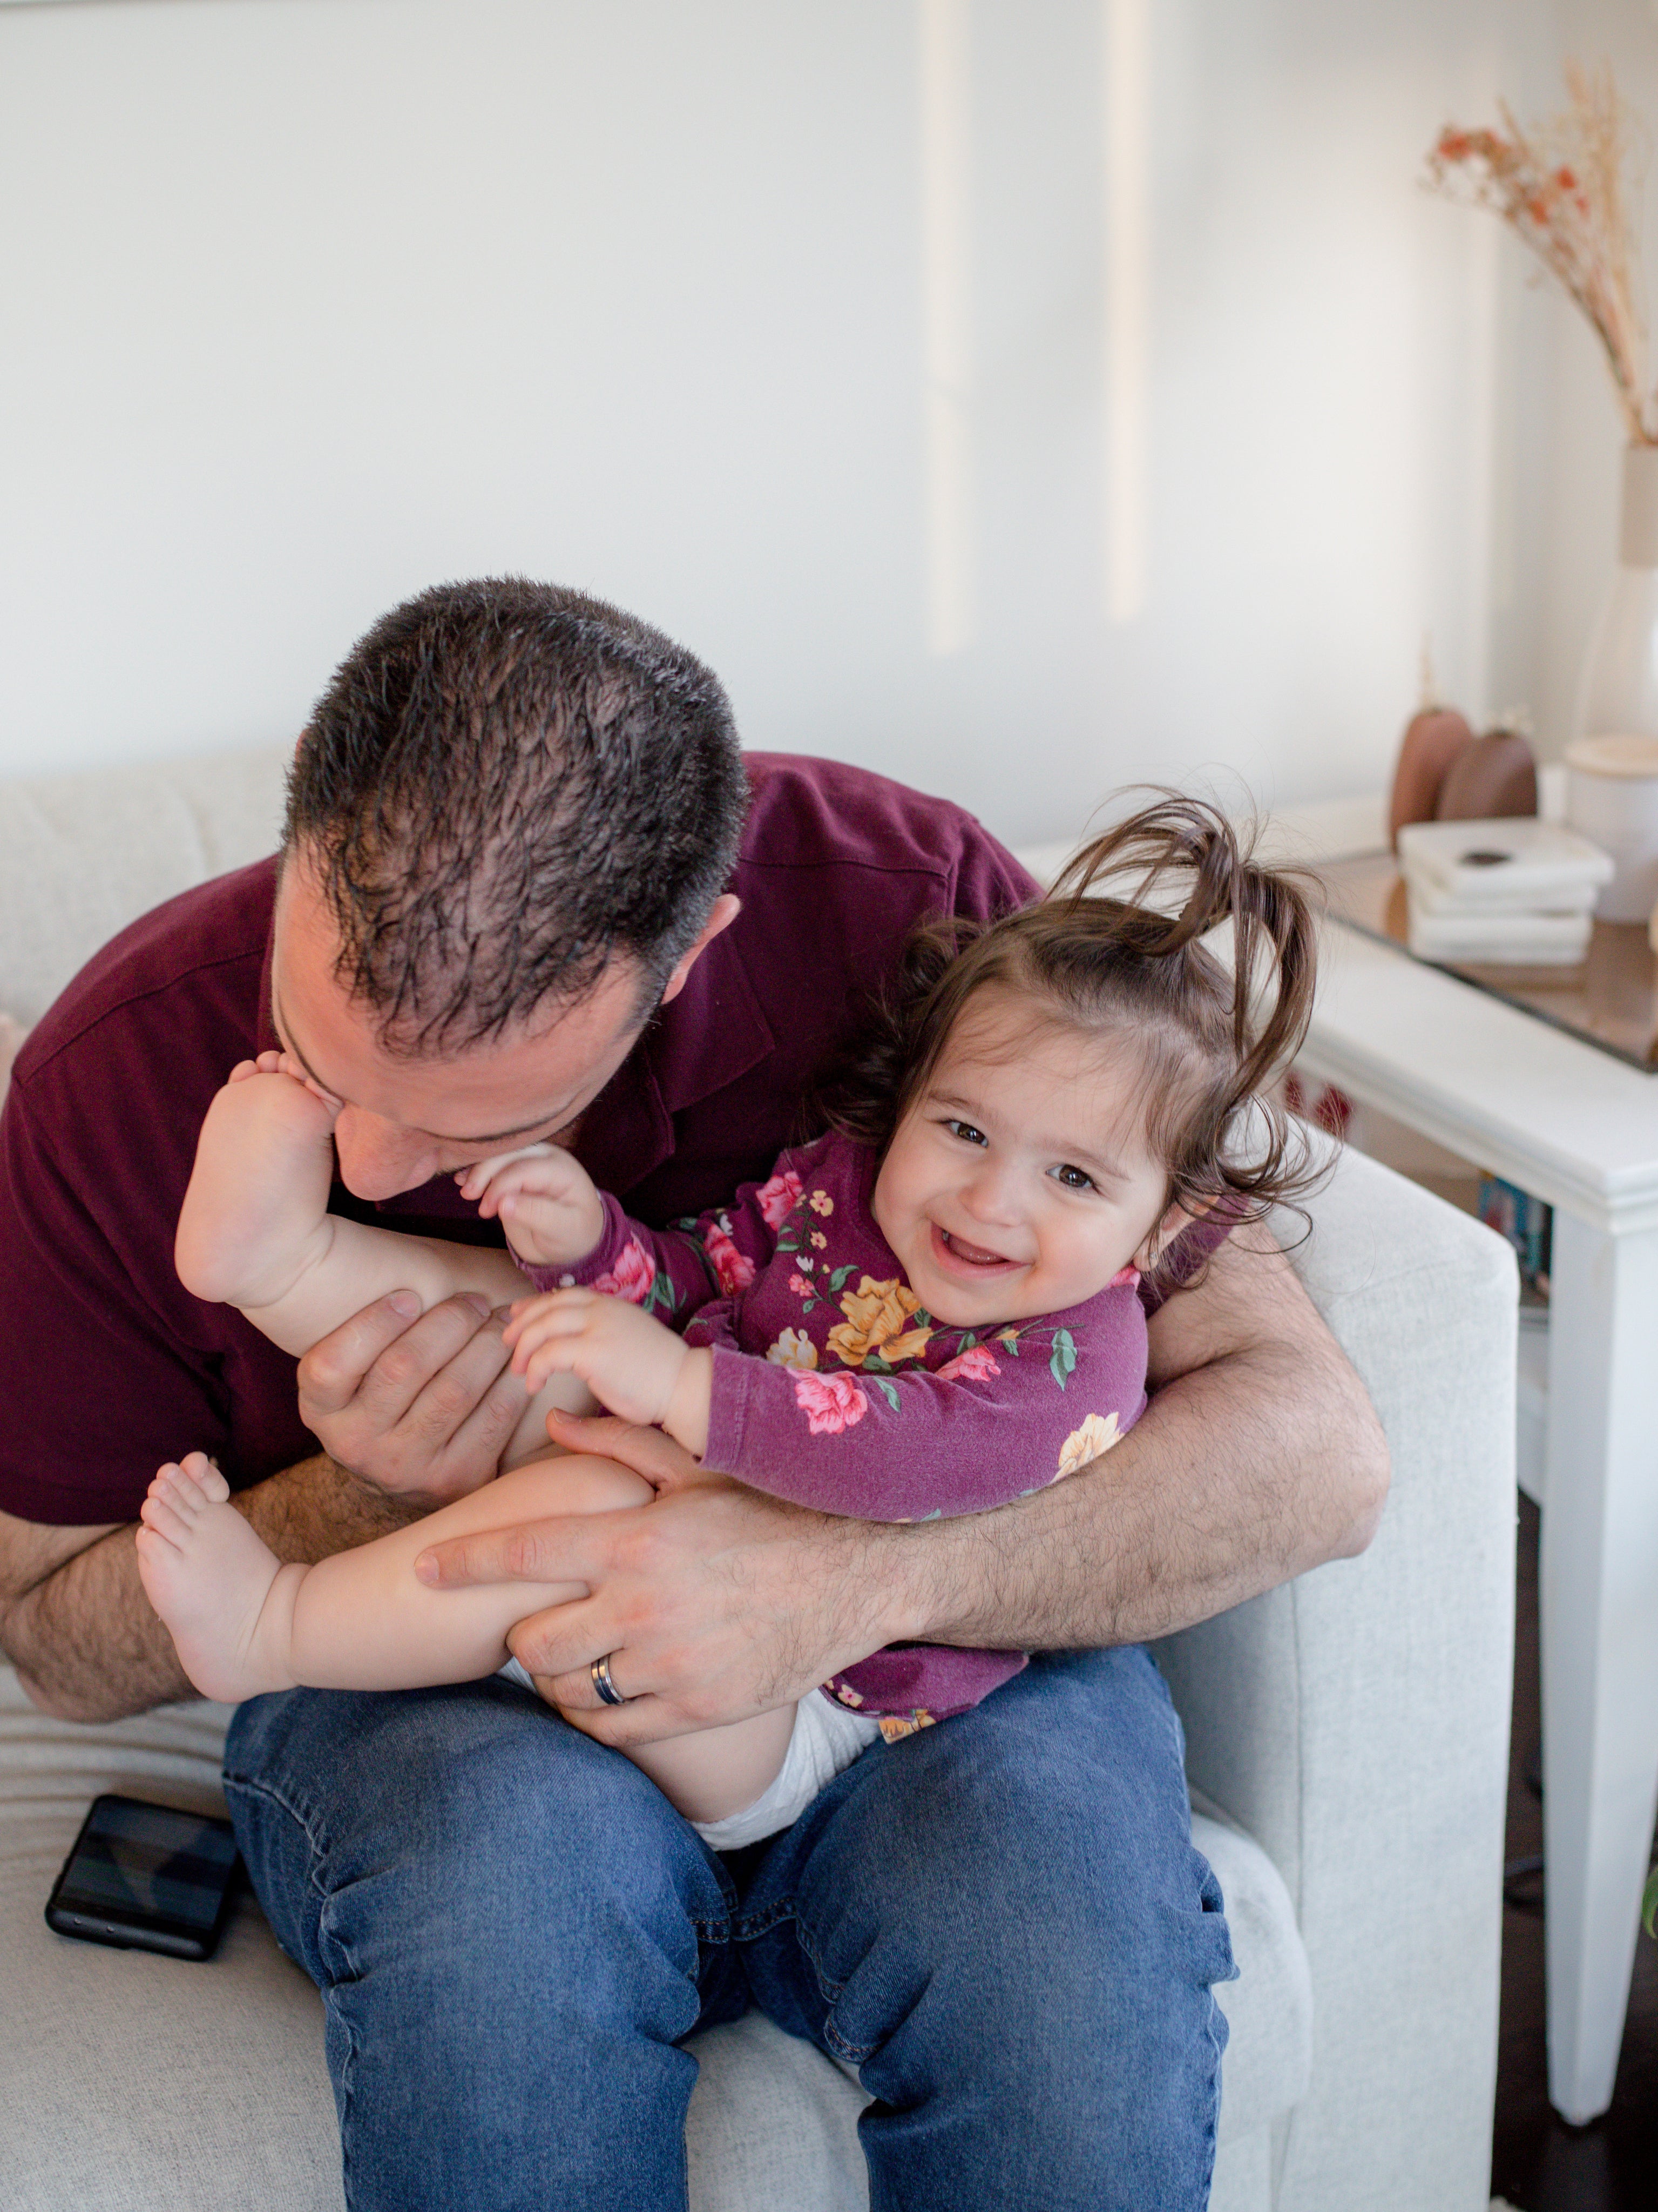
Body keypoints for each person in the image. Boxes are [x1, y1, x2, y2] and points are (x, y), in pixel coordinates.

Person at [0, 579, 1388, 2212]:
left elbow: (1317, 1454)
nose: (375, 1168)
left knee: (1057, 1945)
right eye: (327, 1065)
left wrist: (850, 1581)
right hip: (464, 1707)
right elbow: (49, 1631)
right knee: (505, 1919)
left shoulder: (912, 919)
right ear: (309, 796)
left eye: (465, 1127)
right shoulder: (120, 1074)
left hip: (938, 1677)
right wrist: (365, 1486)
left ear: (692, 951)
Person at [137, 799, 1321, 1867]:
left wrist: (678, 1382)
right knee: (529, 1321)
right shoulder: (846, 1192)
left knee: (604, 1510)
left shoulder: (1080, 1353)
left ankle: (271, 1627)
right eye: (963, 1128)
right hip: (685, 1476)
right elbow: (702, 1272)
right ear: (912, 1098)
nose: (991, 1200)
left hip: (795, 1701)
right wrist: (589, 1243)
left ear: (1161, 1229)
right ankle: (274, 1257)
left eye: (1071, 1173)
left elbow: (910, 1456)